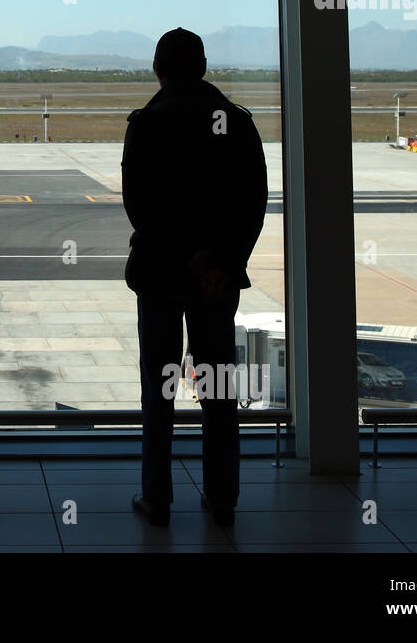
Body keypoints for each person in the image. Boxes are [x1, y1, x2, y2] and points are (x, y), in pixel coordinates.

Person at [122, 27, 267, 528]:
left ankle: (157, 497)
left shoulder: (149, 122)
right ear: (203, 67)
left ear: (158, 68)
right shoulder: (237, 122)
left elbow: (140, 206)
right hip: (216, 281)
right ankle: (223, 497)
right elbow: (252, 203)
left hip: (161, 274)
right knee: (219, 389)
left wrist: (184, 254)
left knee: (158, 390)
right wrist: (218, 259)